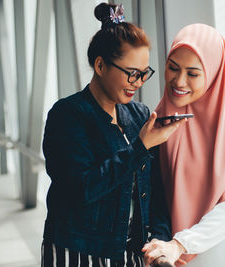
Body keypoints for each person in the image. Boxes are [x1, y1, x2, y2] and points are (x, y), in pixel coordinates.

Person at [41, 3, 185, 266]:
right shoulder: (67, 115)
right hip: (78, 251)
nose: (139, 83)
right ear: (100, 65)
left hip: (130, 253)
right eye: (132, 74)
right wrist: (140, 147)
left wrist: (160, 240)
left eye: (144, 74)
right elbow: (81, 189)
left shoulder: (140, 116)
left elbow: (155, 192)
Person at [142, 24, 225, 267]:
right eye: (173, 68)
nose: (179, 81)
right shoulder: (160, 117)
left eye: (192, 74)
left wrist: (181, 244)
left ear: (213, 73)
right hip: (174, 251)